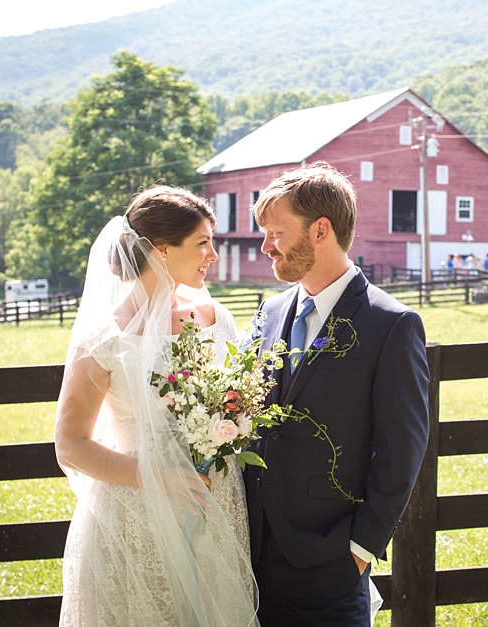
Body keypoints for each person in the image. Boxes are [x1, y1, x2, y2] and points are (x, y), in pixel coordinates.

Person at [55, 186, 259, 627]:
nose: (214, 255)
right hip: (135, 514)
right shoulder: (104, 340)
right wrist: (160, 479)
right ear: (162, 250)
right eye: (203, 243)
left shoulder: (215, 318)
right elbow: (70, 445)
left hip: (215, 500)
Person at [245, 163, 430, 626]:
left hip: (331, 563)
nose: (266, 246)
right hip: (252, 557)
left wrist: (360, 548)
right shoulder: (270, 312)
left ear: (320, 230)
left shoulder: (391, 324)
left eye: (276, 233)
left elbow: (402, 449)